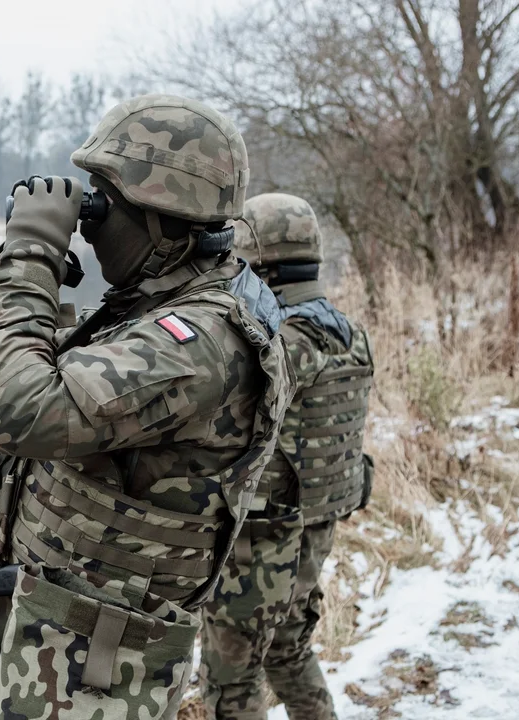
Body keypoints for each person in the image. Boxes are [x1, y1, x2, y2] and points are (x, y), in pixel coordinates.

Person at [0, 94, 294, 720]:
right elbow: (69, 388)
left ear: (162, 219)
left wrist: (30, 251)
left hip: (97, 671)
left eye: (101, 203)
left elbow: (13, 406)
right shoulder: (167, 297)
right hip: (69, 643)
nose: (89, 220)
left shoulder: (199, 340)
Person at [200, 193, 376, 720]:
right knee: (289, 650)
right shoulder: (349, 334)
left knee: (232, 684)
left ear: (261, 265)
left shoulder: (282, 343)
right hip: (313, 531)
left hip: (265, 540)